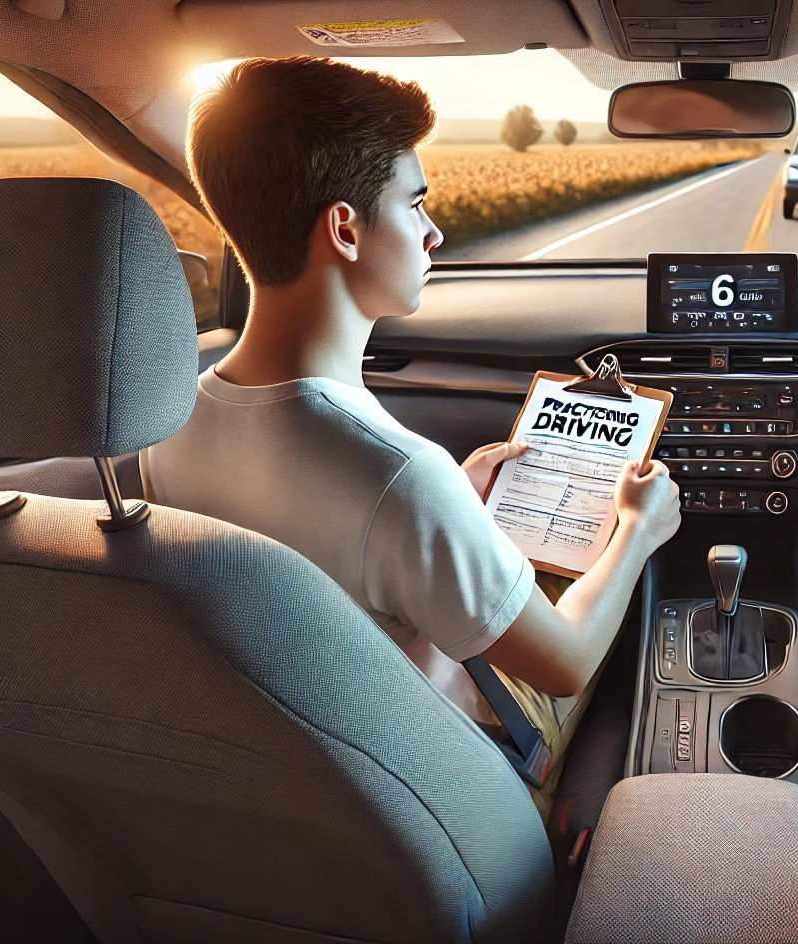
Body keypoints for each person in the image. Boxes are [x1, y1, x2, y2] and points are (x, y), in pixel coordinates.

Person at [143, 57, 680, 811]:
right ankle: (571, 823)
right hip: (423, 788)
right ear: (345, 229)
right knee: (601, 588)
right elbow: (566, 663)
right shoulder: (399, 476)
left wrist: (449, 503)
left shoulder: (168, 421)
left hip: (279, 777)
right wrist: (638, 532)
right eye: (415, 204)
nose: (434, 233)